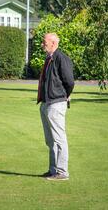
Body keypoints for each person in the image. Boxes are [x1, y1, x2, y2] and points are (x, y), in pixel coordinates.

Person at [37, 33, 74, 181]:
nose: (42, 44)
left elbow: (69, 81)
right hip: (46, 103)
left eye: (44, 42)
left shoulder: (61, 58)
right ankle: (53, 170)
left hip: (56, 103)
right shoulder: (49, 58)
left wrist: (65, 95)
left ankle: (62, 172)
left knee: (59, 139)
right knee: (50, 140)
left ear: (53, 43)